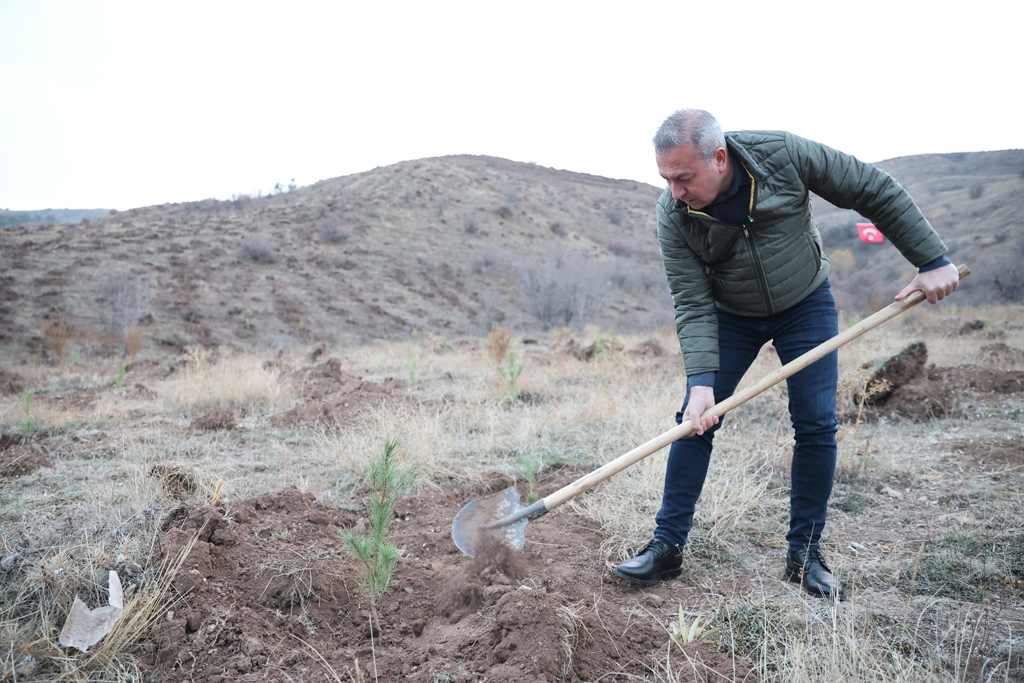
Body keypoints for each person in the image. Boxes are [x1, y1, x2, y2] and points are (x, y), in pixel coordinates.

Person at [612, 109, 960, 600]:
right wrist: (701, 380)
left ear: (719, 157)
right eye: (665, 178)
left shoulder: (782, 154)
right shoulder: (673, 216)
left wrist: (932, 260)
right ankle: (666, 547)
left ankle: (804, 556)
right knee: (694, 419)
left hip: (805, 304)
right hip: (730, 313)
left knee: (816, 425)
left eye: (684, 178)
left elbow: (871, 188)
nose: (675, 191)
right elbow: (691, 300)